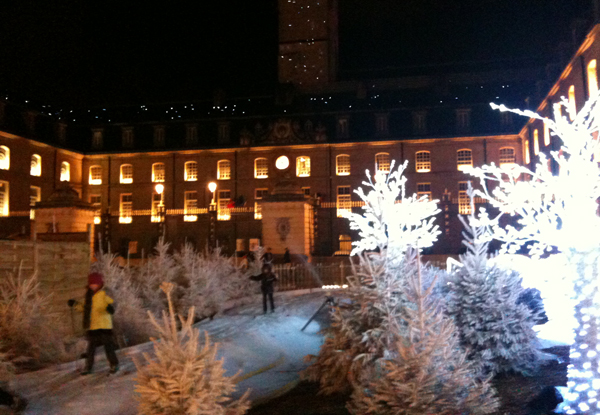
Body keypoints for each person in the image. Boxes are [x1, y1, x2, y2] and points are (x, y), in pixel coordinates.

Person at [68, 272, 119, 375]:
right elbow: (84, 309)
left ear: (100, 284)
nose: (93, 286)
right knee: (90, 349)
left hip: (104, 325)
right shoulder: (88, 295)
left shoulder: (105, 293)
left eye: (95, 284)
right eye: (91, 284)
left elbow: (113, 303)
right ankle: (88, 367)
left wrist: (110, 308)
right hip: (93, 326)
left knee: (108, 347)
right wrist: (75, 304)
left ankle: (114, 364)